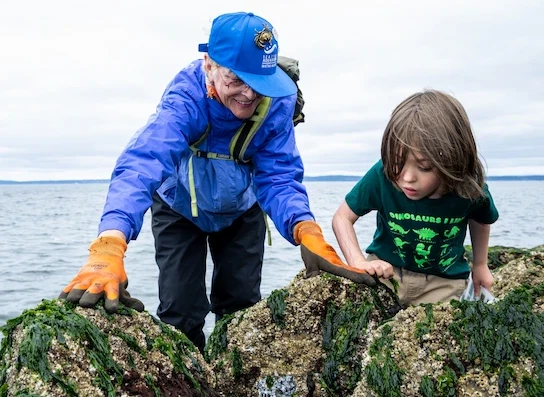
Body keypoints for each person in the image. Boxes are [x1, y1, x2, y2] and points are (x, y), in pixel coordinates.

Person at [59, 11, 375, 351]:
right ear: (209, 63)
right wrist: (110, 243)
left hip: (242, 210)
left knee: (240, 306)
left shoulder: (277, 101)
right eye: (236, 79)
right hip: (178, 206)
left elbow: (279, 175)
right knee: (181, 312)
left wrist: (305, 229)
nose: (248, 95)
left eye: (258, 82)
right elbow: (144, 162)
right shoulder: (186, 97)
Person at [332, 89, 499, 308]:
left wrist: (480, 265)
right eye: (398, 162)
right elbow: (342, 218)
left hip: (444, 283)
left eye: (424, 167)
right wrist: (358, 262)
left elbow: (480, 219)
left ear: (454, 161)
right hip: (386, 275)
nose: (407, 177)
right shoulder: (381, 175)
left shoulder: (468, 186)